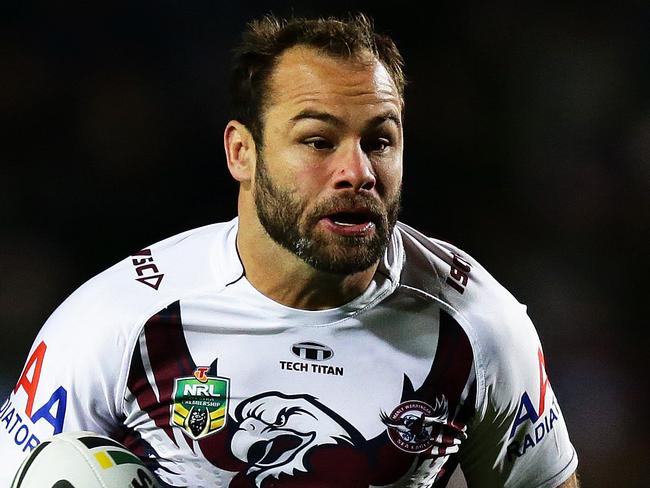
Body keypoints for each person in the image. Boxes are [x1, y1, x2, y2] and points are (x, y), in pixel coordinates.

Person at [1, 13, 579, 488]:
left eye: (380, 140)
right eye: (318, 141)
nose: (357, 172)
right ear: (241, 153)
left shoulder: (479, 325)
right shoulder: (114, 322)